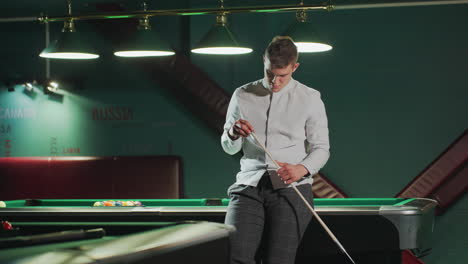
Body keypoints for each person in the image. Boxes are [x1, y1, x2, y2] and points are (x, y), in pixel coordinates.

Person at [221, 36, 330, 264]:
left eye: (282, 76)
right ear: (264, 61)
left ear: (295, 67)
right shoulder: (242, 94)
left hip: (292, 189)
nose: (275, 82)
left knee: (278, 260)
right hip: (248, 186)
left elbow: (321, 148)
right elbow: (229, 148)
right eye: (271, 73)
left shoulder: (310, 98)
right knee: (234, 257)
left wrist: (302, 169)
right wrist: (232, 134)